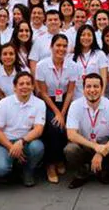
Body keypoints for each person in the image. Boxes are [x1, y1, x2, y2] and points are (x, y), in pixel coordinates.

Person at [64, 73, 109, 189]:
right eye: (88, 86)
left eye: (96, 86)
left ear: (101, 88)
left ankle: (103, 170)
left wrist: (100, 151)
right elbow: (71, 134)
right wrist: (95, 146)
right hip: (84, 144)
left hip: (105, 145)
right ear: (83, 89)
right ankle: (82, 172)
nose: (92, 90)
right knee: (70, 149)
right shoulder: (75, 105)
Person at [35, 34, 79, 183]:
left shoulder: (72, 65)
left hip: (65, 101)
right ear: (51, 47)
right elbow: (42, 92)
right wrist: (57, 112)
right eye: (58, 45)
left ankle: (60, 158)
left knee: (66, 126)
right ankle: (50, 164)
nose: (61, 49)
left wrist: (63, 112)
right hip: (47, 101)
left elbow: (71, 91)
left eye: (64, 46)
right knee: (53, 126)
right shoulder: (42, 65)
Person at [0, 72, 46, 187]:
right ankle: (12, 170)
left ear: (32, 87)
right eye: (21, 84)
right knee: (0, 169)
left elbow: (38, 129)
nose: (25, 86)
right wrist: (11, 147)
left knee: (37, 147)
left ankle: (27, 171)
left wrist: (21, 142)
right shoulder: (4, 103)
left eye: (28, 84)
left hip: (26, 141)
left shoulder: (39, 103)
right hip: (4, 142)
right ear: (14, 87)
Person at [72, 25, 109, 99]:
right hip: (77, 96)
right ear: (78, 37)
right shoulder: (73, 56)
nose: (86, 37)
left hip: (95, 95)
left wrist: (101, 95)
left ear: (93, 38)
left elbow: (104, 78)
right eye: (83, 35)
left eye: (89, 35)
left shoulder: (100, 54)